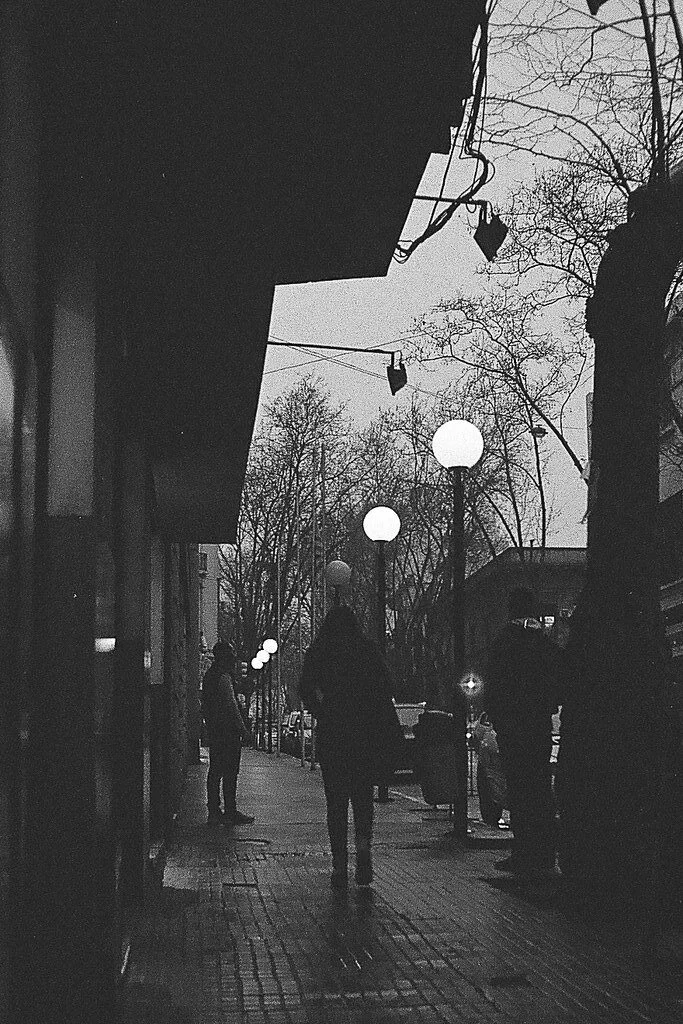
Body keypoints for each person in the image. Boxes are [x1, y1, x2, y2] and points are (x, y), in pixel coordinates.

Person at [300, 605, 394, 888]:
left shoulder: (321, 651)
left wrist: (322, 711)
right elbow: (385, 685)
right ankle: (364, 853)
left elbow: (305, 687)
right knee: (363, 799)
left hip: (334, 734)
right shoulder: (366, 650)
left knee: (336, 803)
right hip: (363, 733)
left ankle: (339, 864)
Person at [484, 587, 562, 879]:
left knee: (519, 789)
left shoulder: (505, 643)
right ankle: (544, 853)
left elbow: (494, 686)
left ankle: (524, 852)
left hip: (514, 729)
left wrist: (499, 719)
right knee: (539, 789)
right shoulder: (544, 644)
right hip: (538, 726)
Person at [201, 640, 254, 826]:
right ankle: (228, 811)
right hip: (226, 732)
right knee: (229, 772)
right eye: (231, 655)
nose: (234, 658)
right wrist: (243, 729)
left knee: (216, 770)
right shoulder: (223, 677)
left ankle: (215, 810)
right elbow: (231, 706)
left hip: (216, 730)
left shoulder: (210, 676)